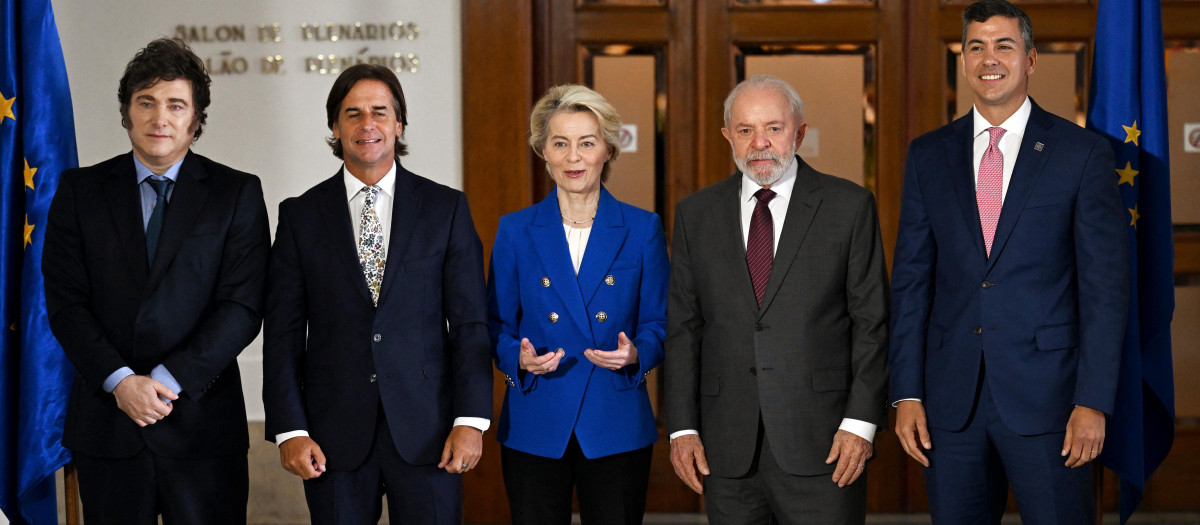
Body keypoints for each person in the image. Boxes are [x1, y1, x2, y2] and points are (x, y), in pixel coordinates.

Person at [888, 1, 1128, 522]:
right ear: (963, 61)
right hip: (949, 405)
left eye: (1004, 45)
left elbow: (1105, 290)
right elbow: (910, 281)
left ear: (1031, 59)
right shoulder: (928, 154)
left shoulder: (1081, 153)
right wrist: (905, 392)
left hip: (1052, 403)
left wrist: (1093, 401)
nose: (989, 58)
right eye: (976, 47)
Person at [41, 37, 269, 525]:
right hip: (109, 421)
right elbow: (65, 303)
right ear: (127, 113)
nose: (159, 118)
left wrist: (166, 382)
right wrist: (122, 382)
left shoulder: (236, 193)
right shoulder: (80, 191)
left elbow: (242, 306)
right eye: (145, 102)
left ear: (196, 119)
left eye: (175, 104)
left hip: (202, 425)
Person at [262, 63, 493, 524]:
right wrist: (290, 429)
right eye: (353, 113)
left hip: (431, 432)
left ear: (399, 123)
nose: (367, 123)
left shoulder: (446, 208)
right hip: (331, 437)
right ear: (335, 127)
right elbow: (283, 334)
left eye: (380, 112)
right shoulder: (300, 216)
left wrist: (470, 420)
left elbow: (470, 324)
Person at [666, 75, 890, 524]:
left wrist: (860, 423)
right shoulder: (696, 214)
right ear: (728, 136)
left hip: (827, 444)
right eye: (745, 130)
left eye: (774, 127)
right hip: (725, 448)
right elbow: (683, 328)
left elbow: (873, 323)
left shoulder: (849, 206)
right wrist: (682, 427)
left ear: (799, 132)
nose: (760, 143)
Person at [487, 84, 668, 524]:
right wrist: (518, 359)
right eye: (560, 143)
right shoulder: (515, 230)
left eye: (586, 143)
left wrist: (637, 352)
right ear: (543, 152)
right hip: (536, 419)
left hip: (615, 420)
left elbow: (660, 322)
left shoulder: (642, 228)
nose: (574, 158)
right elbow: (494, 325)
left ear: (608, 149)